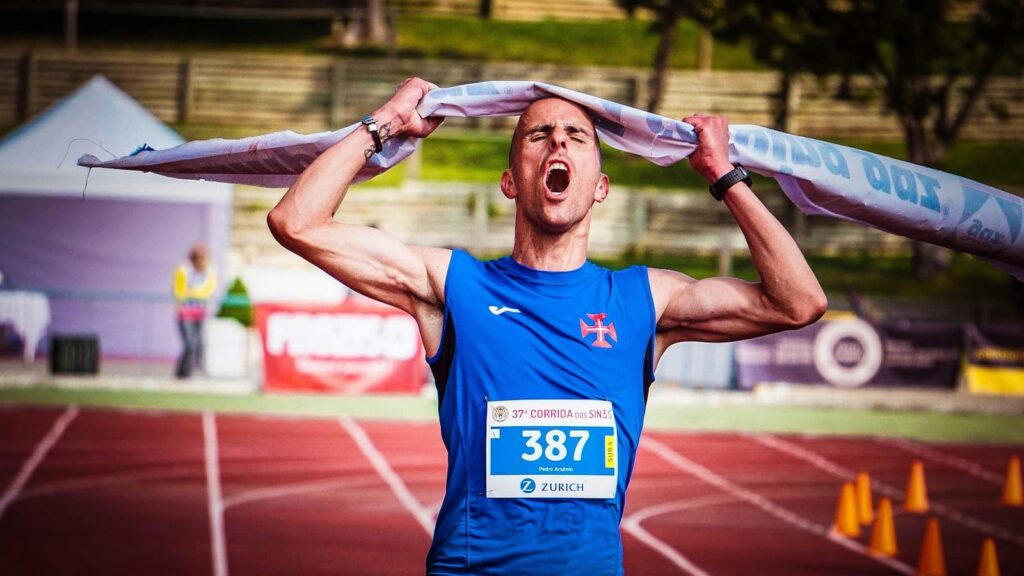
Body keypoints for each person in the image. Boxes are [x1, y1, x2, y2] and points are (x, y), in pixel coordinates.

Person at [267, 78, 827, 575]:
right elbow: (296, 221)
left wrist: (724, 176)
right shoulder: (454, 287)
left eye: (576, 137)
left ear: (600, 187)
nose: (558, 142)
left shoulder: (644, 299)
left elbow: (798, 301)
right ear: (510, 182)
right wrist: (385, 123)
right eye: (538, 135)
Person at [173, 243, 217, 378]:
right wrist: (192, 294)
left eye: (202, 257)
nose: (200, 260)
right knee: (189, 344)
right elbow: (179, 291)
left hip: (200, 313)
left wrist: (192, 292)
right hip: (185, 313)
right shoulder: (184, 270)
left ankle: (190, 371)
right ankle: (183, 373)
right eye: (198, 257)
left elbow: (208, 291)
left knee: (199, 344)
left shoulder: (210, 270)